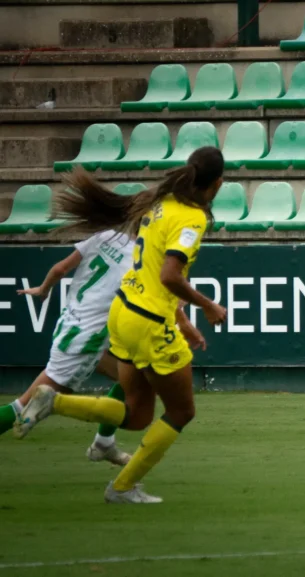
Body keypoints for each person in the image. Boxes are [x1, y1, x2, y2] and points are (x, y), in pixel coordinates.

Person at [15, 147, 228, 503]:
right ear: (217, 184)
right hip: (149, 323)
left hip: (123, 313)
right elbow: (170, 275)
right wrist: (207, 306)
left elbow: (154, 271)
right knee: (182, 411)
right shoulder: (193, 219)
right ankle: (122, 487)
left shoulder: (161, 202)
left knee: (137, 413)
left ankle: (58, 405)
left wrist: (184, 321)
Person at [0, 230, 138, 466]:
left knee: (132, 377)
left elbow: (59, 269)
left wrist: (43, 289)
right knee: (24, 406)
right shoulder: (139, 260)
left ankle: (104, 444)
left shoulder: (105, 236)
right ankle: (102, 443)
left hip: (69, 324)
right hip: (85, 341)